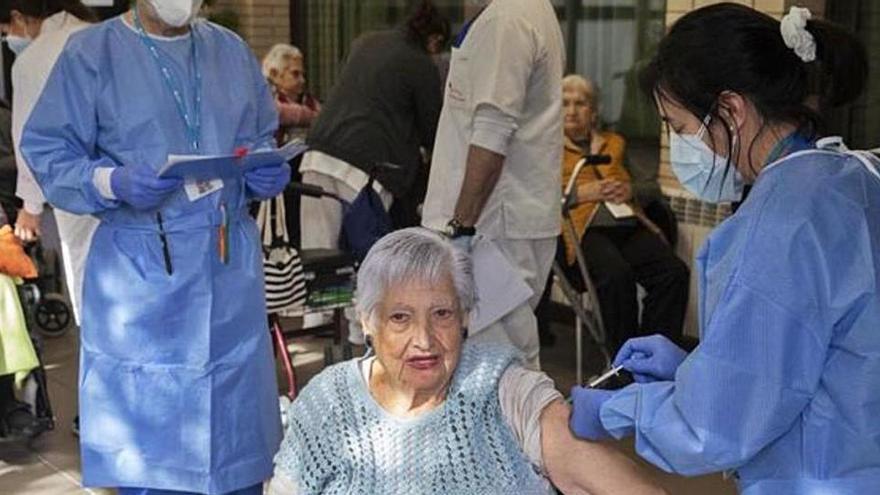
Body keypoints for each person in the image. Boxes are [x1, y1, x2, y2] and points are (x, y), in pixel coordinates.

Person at [569, 4, 880, 493]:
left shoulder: (781, 222)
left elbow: (719, 423)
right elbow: (811, 353)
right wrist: (695, 368)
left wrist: (618, 409)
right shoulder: (849, 177)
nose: (681, 145)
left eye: (681, 127)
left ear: (731, 110)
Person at [19, 0, 290, 493]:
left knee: (236, 445)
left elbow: (256, 135)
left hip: (227, 262)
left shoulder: (228, 51)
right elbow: (47, 150)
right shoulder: (92, 55)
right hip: (143, 271)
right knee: (153, 448)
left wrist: (264, 169)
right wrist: (109, 180)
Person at [268, 228, 666, 495]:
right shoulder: (327, 403)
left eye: (442, 313)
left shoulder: (503, 387)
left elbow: (606, 478)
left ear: (466, 316)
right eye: (400, 318)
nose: (423, 341)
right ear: (368, 322)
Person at [421, 0, 564, 369]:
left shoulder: (507, 20)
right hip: (506, 219)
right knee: (506, 360)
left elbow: (492, 132)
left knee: (493, 367)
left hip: (490, 225)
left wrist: (461, 228)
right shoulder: (527, 12)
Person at [537, 75, 689, 355]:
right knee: (616, 276)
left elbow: (652, 187)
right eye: (565, 104)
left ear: (593, 111)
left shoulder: (615, 142)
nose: (571, 110)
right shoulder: (547, 150)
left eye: (580, 103)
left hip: (628, 225)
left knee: (674, 273)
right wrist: (582, 194)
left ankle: (654, 353)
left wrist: (630, 189)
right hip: (584, 231)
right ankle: (624, 360)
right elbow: (538, 198)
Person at [300, 0, 446, 250]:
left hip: (319, 152)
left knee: (318, 254)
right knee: (370, 256)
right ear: (435, 39)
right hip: (368, 167)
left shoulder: (366, 41)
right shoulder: (420, 63)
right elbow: (434, 129)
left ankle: (319, 289)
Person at [7, 0, 96, 336]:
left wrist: (30, 207)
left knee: (89, 290)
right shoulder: (105, 36)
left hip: (76, 188)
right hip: (133, 181)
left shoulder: (34, 58)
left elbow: (28, 137)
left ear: (18, 16)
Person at [262, 43, 320, 145]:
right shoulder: (264, 95)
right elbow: (274, 111)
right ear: (274, 74)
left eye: (302, 74)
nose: (302, 80)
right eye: (295, 74)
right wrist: (309, 116)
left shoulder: (307, 100)